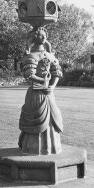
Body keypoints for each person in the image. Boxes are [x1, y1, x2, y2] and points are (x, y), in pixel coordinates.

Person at [18, 27, 63, 155]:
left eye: (44, 35)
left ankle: (51, 147)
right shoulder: (31, 56)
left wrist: (52, 86)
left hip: (49, 93)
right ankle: (32, 148)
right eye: (40, 35)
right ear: (34, 38)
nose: (43, 38)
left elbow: (56, 73)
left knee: (53, 118)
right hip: (36, 94)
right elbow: (29, 75)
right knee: (35, 117)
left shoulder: (50, 55)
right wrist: (42, 80)